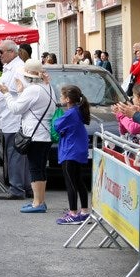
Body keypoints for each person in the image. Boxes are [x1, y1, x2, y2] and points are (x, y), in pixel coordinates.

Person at [0, 59, 55, 213]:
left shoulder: (33, 90)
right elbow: (33, 105)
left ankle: (37, 203)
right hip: (44, 134)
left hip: (34, 135)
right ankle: (40, 201)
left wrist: (6, 93)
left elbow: (16, 108)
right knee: (40, 169)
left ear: (28, 76)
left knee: (35, 169)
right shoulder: (47, 87)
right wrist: (21, 92)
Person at [0, 40, 30, 200]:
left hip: (14, 119)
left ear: (11, 52)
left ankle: (17, 188)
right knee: (17, 155)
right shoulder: (10, 67)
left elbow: (22, 91)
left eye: (1, 52)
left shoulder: (18, 68)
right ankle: (25, 187)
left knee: (15, 155)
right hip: (9, 119)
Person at [53, 85, 91, 225]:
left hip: (70, 151)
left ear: (68, 99)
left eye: (62, 96)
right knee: (79, 181)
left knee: (71, 183)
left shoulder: (70, 113)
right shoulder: (78, 110)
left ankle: (73, 213)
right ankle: (84, 211)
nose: (60, 98)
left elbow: (56, 125)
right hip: (78, 150)